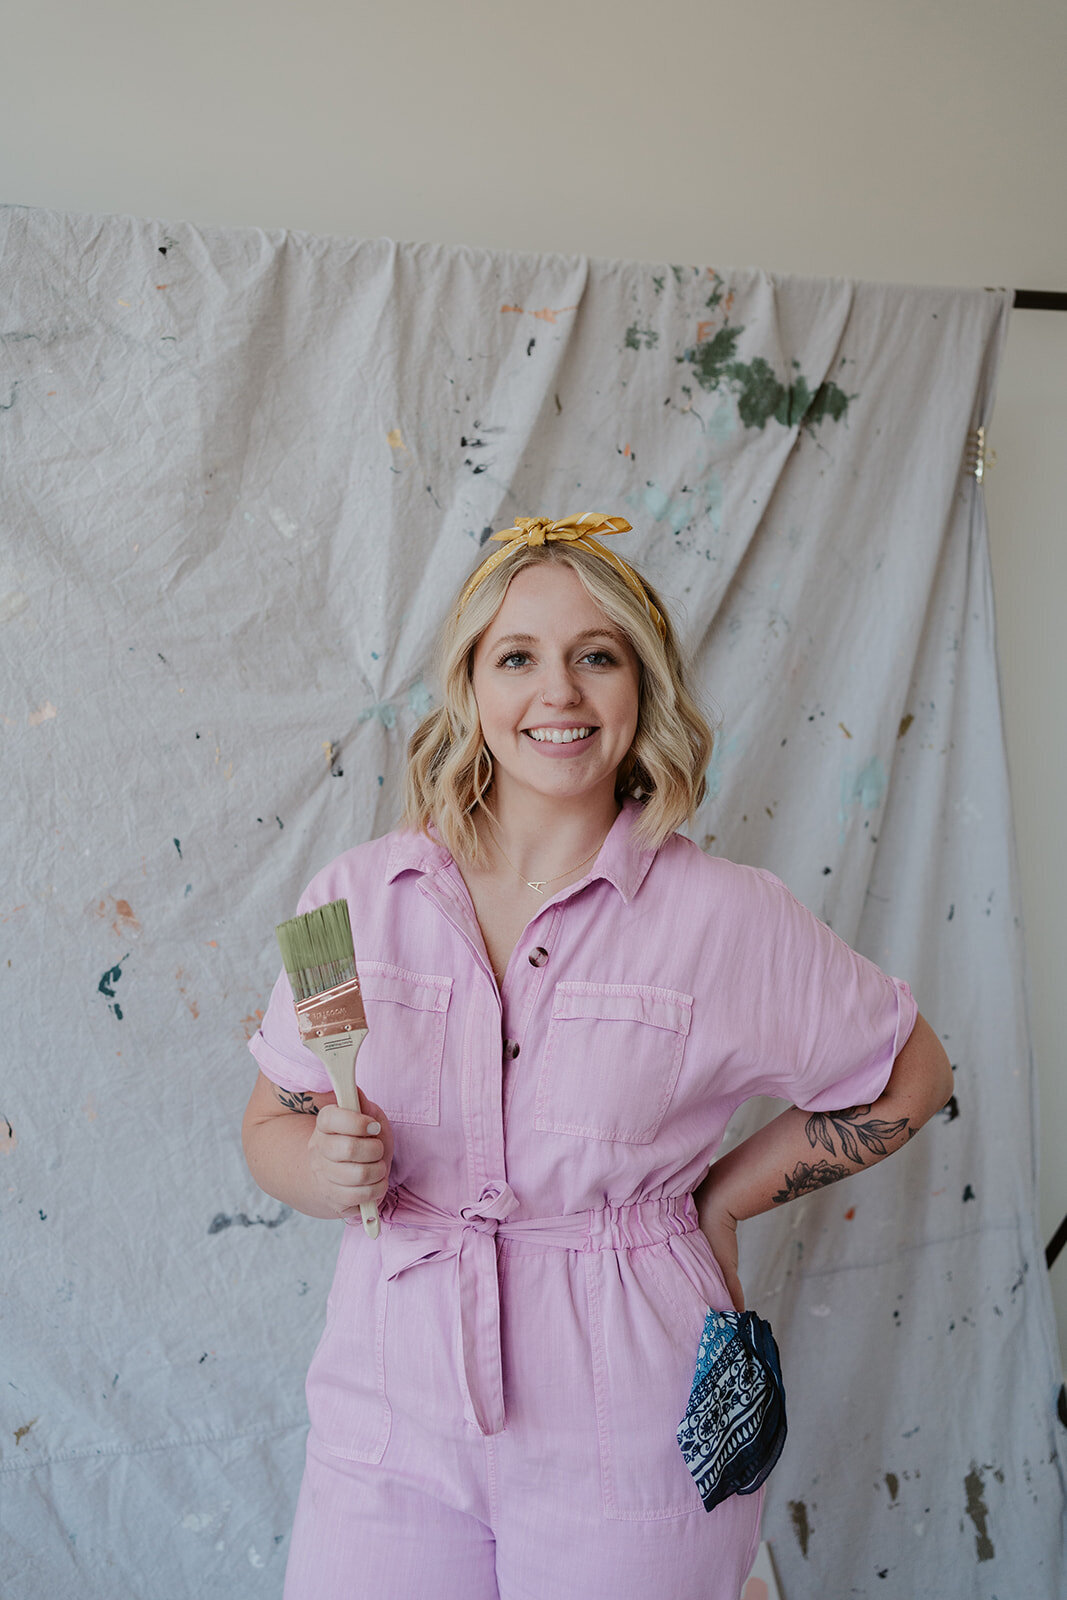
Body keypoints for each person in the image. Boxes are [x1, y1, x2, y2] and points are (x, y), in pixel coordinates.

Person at [242, 513, 952, 1600]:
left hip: (633, 1419)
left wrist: (720, 1200)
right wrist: (315, 1166)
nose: (557, 691)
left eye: (596, 655)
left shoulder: (724, 919)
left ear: (642, 684)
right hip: (387, 1419)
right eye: (517, 656)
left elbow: (912, 1074)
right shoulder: (353, 896)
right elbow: (274, 1117)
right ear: (470, 685)